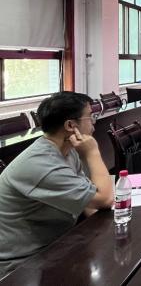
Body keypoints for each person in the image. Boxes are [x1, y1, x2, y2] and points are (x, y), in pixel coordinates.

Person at [0, 92, 113, 278]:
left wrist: (103, 230)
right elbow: (105, 198)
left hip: (57, 243)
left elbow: (89, 197)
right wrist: (92, 152)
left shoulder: (66, 151)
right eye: (90, 117)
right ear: (70, 125)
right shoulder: (41, 164)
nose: (94, 123)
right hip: (22, 264)